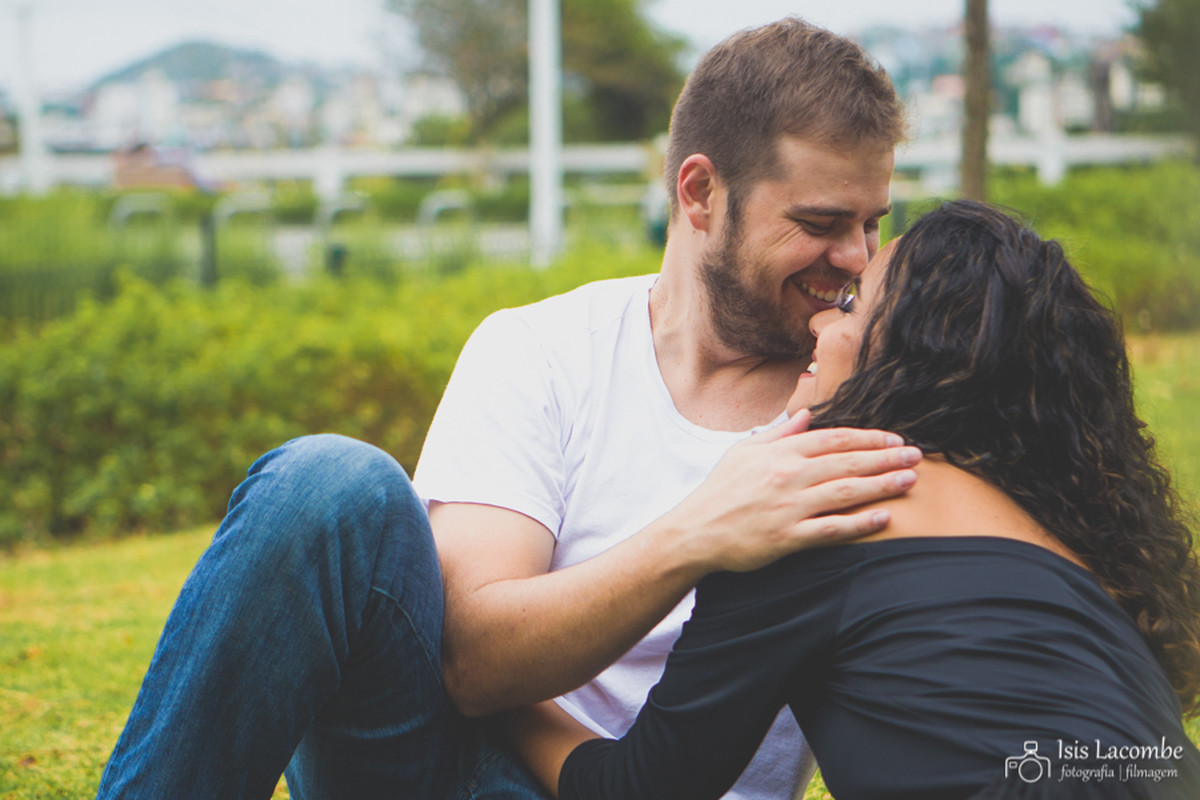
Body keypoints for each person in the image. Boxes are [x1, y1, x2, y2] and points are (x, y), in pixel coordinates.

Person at [95, 18, 918, 800]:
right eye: (820, 223)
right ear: (700, 193)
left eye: (872, 224)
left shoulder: (871, 396)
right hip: (460, 772)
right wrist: (699, 533)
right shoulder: (544, 349)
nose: (855, 260)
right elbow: (474, 658)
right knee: (325, 482)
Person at [504, 200, 1200, 800]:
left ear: (913, 356)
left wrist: (502, 698)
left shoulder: (812, 508)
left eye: (852, 304)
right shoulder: (1065, 543)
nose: (819, 326)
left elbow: (638, 788)